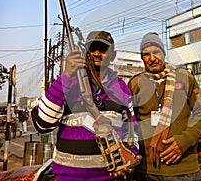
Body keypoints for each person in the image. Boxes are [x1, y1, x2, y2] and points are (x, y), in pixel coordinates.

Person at [32, 31, 139, 181]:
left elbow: (132, 131)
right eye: (92, 48)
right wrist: (67, 75)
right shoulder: (67, 82)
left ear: (113, 55)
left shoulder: (121, 88)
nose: (96, 53)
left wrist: (127, 160)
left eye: (103, 50)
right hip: (67, 178)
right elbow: (43, 124)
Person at [128, 32, 201, 181]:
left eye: (156, 52)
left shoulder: (184, 77)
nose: (152, 58)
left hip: (184, 170)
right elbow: (129, 123)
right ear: (142, 58)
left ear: (164, 54)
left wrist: (184, 141)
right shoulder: (134, 84)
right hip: (146, 170)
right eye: (146, 54)